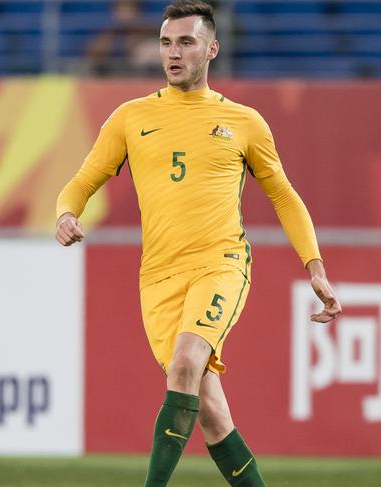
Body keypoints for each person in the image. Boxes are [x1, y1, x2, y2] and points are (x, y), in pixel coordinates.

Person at [55, 1, 341, 485]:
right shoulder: (130, 117)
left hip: (220, 264)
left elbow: (284, 196)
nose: (173, 53)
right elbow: (81, 181)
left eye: (185, 42)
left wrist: (314, 266)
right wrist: (65, 213)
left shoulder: (245, 122)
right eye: (166, 42)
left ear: (212, 49)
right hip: (158, 279)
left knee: (187, 361)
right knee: (209, 409)